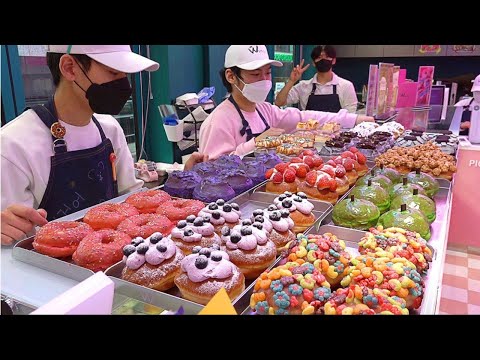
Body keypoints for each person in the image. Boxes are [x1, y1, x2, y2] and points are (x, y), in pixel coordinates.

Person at [1, 45, 160, 245]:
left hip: (115, 255)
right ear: (69, 67)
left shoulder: (110, 129)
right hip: (51, 270)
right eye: (113, 72)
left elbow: (131, 197)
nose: (124, 86)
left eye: (125, 75)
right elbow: (14, 241)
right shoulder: (13, 144)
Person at [199, 45, 373, 160]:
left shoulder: (264, 110)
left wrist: (352, 120)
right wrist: (255, 143)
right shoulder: (218, 121)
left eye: (267, 73)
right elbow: (211, 173)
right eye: (255, 74)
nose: (264, 80)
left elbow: (303, 117)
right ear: (231, 76)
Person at [275, 45, 358, 113]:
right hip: (308, 132)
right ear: (314, 63)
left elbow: (350, 117)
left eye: (327, 57)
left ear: (333, 60)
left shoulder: (346, 86)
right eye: (319, 57)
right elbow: (279, 102)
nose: (323, 60)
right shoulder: (303, 86)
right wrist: (291, 81)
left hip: (336, 132)